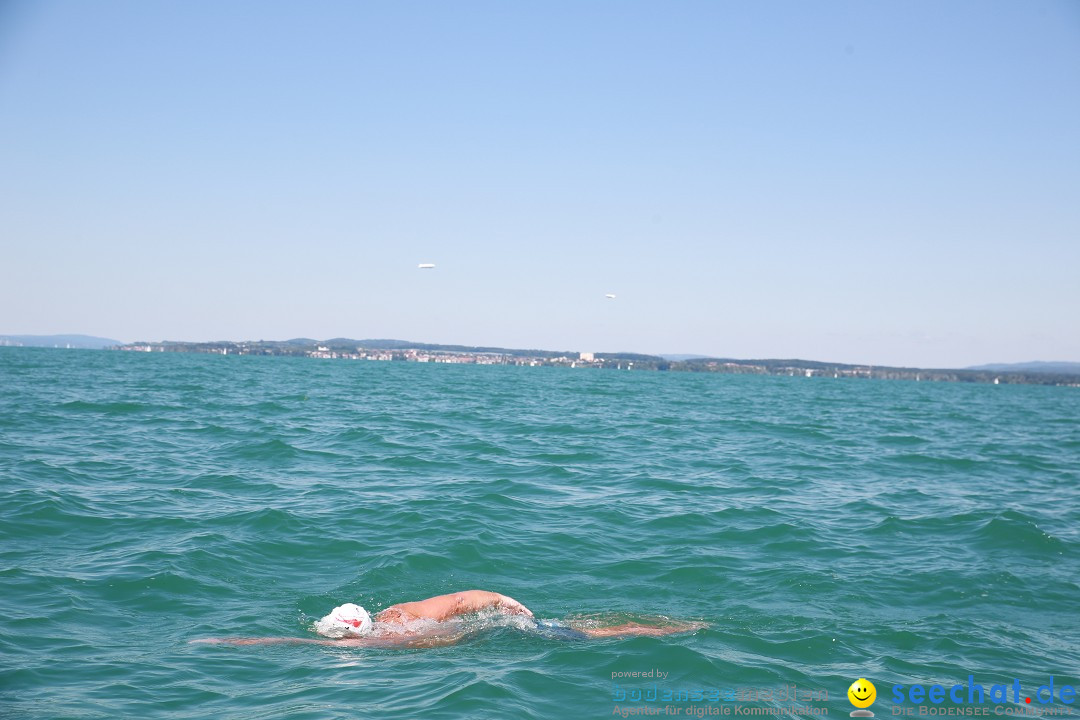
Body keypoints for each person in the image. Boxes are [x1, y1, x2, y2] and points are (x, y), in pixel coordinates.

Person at [193, 589, 705, 648]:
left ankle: (669, 630)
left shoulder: (393, 631)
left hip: (507, 628)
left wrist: (506, 602)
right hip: (491, 630)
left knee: (590, 636)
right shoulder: (394, 619)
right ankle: (670, 629)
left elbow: (463, 600)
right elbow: (461, 599)